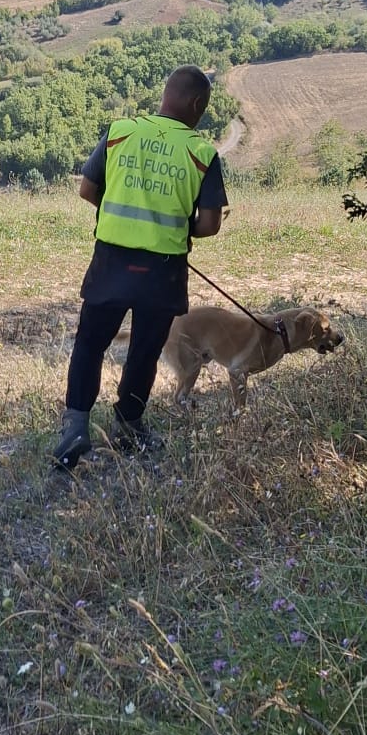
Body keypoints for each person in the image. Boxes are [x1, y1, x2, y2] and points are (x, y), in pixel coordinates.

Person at [51, 65, 229, 469]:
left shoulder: (120, 133)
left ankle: (75, 428)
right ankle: (129, 428)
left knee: (90, 344)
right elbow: (209, 224)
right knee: (145, 352)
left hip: (111, 260)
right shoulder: (202, 154)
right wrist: (171, 226)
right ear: (196, 104)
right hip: (163, 270)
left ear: (165, 94)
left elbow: (87, 189)